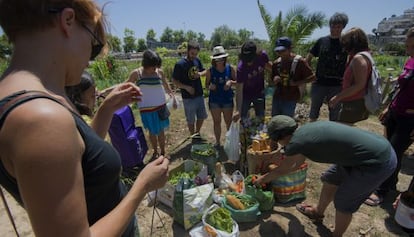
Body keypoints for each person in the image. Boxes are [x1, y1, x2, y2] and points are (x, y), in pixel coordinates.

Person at [0, 2, 169, 237]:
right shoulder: (41, 119)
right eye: (93, 45)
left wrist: (107, 107)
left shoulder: (32, 96)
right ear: (68, 21)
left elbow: (82, 156)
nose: (90, 60)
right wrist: (142, 186)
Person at [254, 115, 397, 237]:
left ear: (282, 136)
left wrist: (262, 179)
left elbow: (282, 170)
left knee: (343, 201)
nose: (278, 143)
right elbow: (296, 164)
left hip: (378, 162)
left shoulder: (296, 142)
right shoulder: (303, 132)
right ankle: (317, 212)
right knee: (330, 178)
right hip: (368, 151)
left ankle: (336, 235)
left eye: (277, 140)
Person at [365, 28, 414, 206]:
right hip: (395, 111)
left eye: (412, 46)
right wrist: (389, 107)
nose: (409, 50)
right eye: (408, 45)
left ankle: (381, 191)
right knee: (393, 151)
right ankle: (391, 184)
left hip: (409, 120)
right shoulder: (410, 62)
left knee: (391, 153)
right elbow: (401, 88)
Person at [126, 49, 175, 158]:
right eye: (153, 66)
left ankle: (162, 152)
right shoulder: (136, 74)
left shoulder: (159, 72)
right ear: (146, 64)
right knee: (152, 132)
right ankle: (155, 151)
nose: (155, 69)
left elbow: (166, 85)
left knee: (161, 131)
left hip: (160, 108)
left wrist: (172, 96)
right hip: (146, 110)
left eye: (156, 66)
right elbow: (126, 86)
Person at [307, 12, 348, 122]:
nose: (334, 29)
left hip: (337, 86)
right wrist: (310, 75)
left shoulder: (346, 43)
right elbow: (308, 58)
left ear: (343, 27)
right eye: (332, 26)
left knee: (335, 114)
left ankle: (332, 137)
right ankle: (311, 134)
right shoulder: (322, 41)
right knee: (314, 111)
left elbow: (353, 60)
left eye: (338, 26)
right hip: (319, 83)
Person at [328, 27, 371, 125]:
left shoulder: (358, 59)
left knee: (342, 131)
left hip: (353, 102)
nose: (344, 47)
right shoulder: (363, 55)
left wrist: (337, 97)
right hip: (354, 101)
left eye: (345, 44)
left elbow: (359, 84)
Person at [271, 37, 315, 117]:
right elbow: (272, 79)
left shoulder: (300, 62)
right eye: (278, 51)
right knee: (275, 120)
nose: (280, 53)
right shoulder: (276, 63)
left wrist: (296, 83)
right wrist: (275, 79)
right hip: (277, 97)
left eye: (283, 51)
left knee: (286, 122)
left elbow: (312, 77)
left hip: (291, 98)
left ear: (290, 49)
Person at [172, 41, 208, 139]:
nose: (194, 56)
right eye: (192, 53)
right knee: (191, 119)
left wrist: (200, 74)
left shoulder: (197, 60)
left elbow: (205, 71)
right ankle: (193, 136)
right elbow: (174, 81)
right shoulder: (180, 64)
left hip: (199, 94)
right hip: (188, 97)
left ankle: (197, 132)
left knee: (201, 116)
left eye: (196, 54)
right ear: (187, 51)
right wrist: (186, 87)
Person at [205, 46, 237, 147]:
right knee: (217, 121)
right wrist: (210, 86)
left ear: (224, 58)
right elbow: (206, 85)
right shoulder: (210, 71)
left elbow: (237, 82)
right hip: (215, 100)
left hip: (227, 99)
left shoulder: (230, 68)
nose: (219, 61)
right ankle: (218, 142)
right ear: (214, 59)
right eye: (217, 59)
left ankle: (230, 141)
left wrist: (231, 82)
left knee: (228, 121)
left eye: (221, 58)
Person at [233, 40, 272, 121]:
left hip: (259, 92)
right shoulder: (241, 68)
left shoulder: (262, 56)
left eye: (250, 59)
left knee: (261, 117)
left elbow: (270, 68)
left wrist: (272, 81)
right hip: (245, 95)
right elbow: (239, 90)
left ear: (255, 55)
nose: (248, 62)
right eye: (246, 60)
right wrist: (238, 110)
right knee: (243, 118)